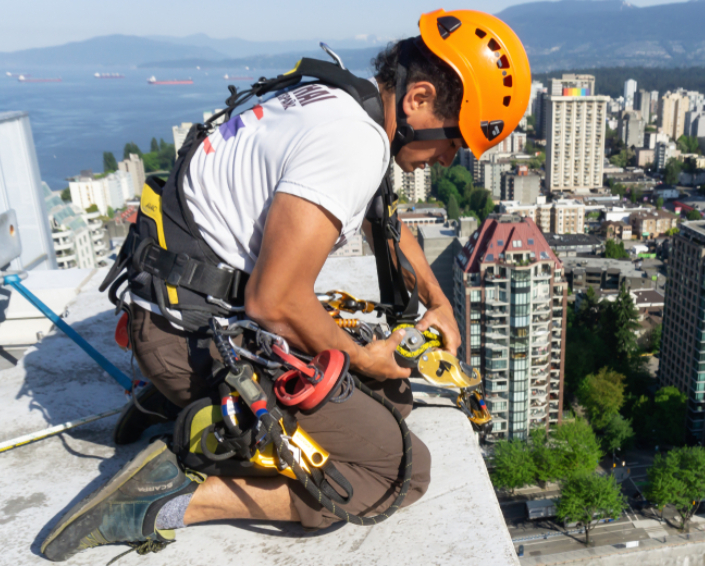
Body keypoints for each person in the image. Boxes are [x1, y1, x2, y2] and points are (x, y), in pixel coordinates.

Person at [40, 9, 530, 562]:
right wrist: (364, 358)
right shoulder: (353, 143)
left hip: (178, 316)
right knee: (395, 473)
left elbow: (382, 219)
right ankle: (165, 498)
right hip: (198, 339)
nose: (445, 159)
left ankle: (182, 408)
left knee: (392, 397)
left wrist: (438, 303)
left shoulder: (335, 98)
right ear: (418, 98)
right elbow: (274, 301)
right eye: (454, 141)